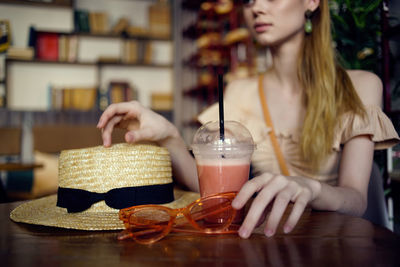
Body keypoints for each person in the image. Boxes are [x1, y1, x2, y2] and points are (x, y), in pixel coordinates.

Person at [97, 0, 400, 239]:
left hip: (331, 246)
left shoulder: (360, 85)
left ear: (311, 1)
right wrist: (169, 137)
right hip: (263, 240)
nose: (257, 7)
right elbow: (215, 190)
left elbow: (357, 199)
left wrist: (311, 188)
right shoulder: (239, 91)